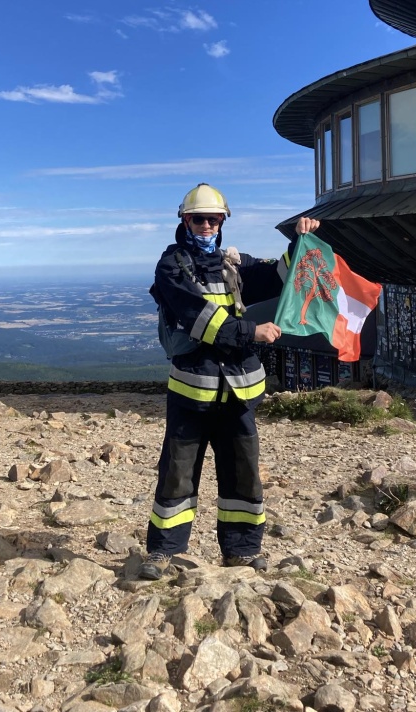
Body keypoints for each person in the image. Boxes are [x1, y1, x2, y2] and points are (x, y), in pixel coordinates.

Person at [139, 182, 318, 580]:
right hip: (192, 392)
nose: (206, 226)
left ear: (222, 223)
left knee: (243, 470)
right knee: (177, 472)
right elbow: (198, 317)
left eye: (214, 219)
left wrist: (299, 243)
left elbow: (277, 277)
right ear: (185, 222)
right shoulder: (171, 267)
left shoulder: (233, 264)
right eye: (198, 219)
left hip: (239, 391)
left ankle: (241, 551)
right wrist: (251, 332)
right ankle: (164, 551)